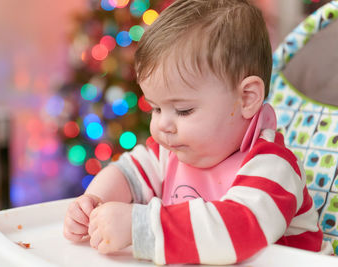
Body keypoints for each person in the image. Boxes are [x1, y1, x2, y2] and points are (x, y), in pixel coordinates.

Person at [63, 0, 332, 264]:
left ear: (247, 98)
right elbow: (128, 173)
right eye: (156, 109)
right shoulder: (172, 153)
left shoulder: (273, 169)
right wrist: (92, 202)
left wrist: (140, 227)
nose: (163, 125)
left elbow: (233, 233)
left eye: (183, 110)